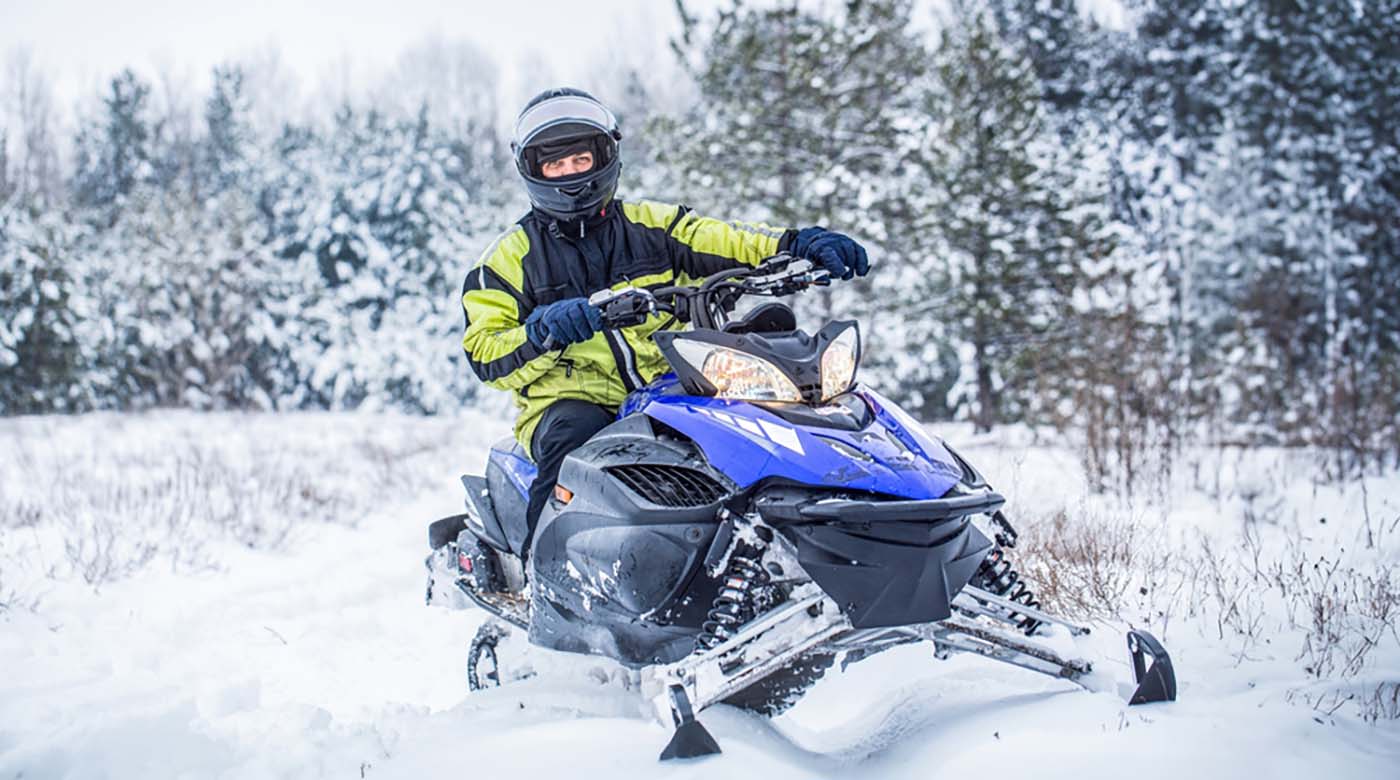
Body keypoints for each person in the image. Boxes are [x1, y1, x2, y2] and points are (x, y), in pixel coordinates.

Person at [460, 87, 870, 559]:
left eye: (580, 159)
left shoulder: (652, 224)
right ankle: (546, 573)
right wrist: (545, 330)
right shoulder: (508, 259)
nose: (572, 174)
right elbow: (485, 352)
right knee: (570, 440)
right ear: (534, 171)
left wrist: (795, 243)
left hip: (672, 381)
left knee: (749, 429)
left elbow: (726, 239)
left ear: (605, 157)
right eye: (557, 165)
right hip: (572, 400)